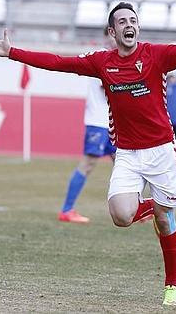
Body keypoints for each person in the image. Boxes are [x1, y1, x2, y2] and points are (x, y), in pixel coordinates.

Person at [0, 2, 176, 306]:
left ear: (138, 27)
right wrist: (12, 53)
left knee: (166, 221)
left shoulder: (156, 55)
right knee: (121, 216)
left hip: (162, 152)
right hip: (127, 152)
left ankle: (173, 283)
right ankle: (156, 205)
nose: (129, 25)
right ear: (112, 32)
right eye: (122, 22)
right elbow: (59, 62)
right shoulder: (102, 62)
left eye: (133, 20)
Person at [58, 28, 117, 224]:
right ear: (106, 36)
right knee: (88, 163)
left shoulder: (118, 59)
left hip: (113, 124)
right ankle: (67, 210)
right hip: (98, 122)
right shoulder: (101, 58)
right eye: (110, 35)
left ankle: (136, 208)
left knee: (124, 164)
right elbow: (109, 86)